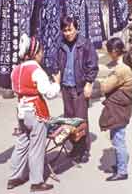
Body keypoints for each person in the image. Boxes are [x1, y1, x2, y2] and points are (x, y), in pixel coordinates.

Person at [7, 34, 60, 192]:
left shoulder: (15, 70)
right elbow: (48, 93)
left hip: (21, 111)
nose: (42, 54)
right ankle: (36, 181)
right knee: (36, 146)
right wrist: (56, 83)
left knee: (22, 144)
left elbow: (15, 90)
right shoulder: (37, 70)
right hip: (36, 111)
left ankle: (14, 177)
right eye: (41, 51)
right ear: (35, 52)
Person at [57, 15, 99, 163]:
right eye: (65, 30)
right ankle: (75, 147)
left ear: (76, 28)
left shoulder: (85, 44)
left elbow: (92, 65)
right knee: (69, 120)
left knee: (80, 120)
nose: (67, 33)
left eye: (70, 29)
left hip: (79, 87)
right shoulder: (60, 44)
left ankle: (83, 150)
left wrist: (89, 83)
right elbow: (57, 63)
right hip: (66, 87)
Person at [99, 37, 132, 181]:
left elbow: (104, 87)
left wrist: (104, 81)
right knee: (118, 137)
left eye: (109, 52)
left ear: (114, 52)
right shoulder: (124, 66)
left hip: (119, 110)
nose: (108, 54)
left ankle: (122, 171)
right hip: (121, 109)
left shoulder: (121, 70)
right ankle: (121, 164)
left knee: (118, 139)